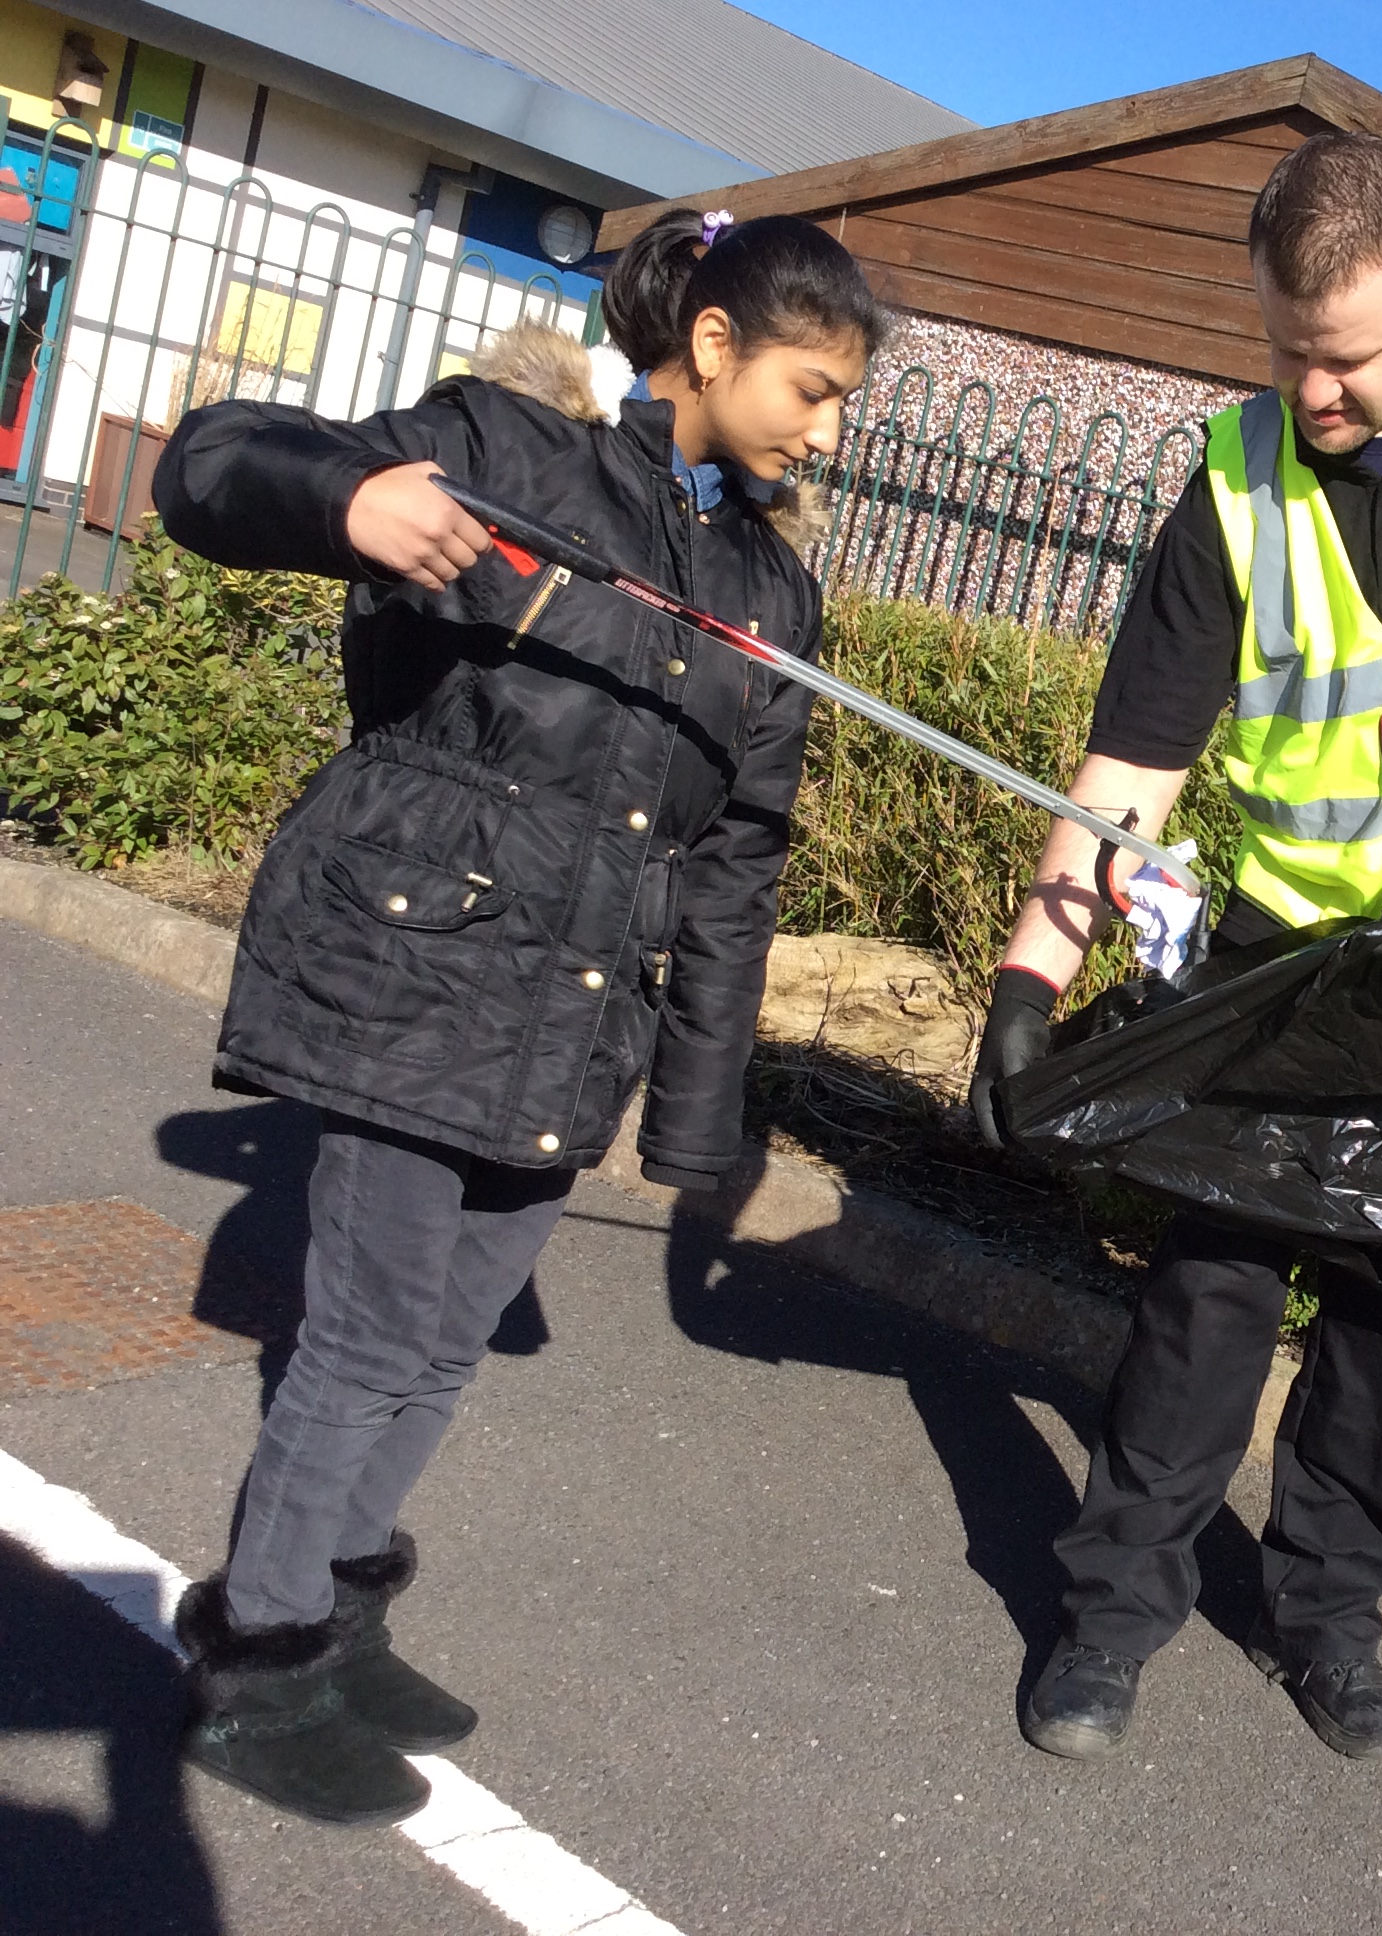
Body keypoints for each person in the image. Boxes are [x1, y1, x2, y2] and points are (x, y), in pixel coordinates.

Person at [152, 209, 883, 1827]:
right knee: (360, 1337)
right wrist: (349, 497)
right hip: (415, 972)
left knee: (448, 1339)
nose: (827, 430)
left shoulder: (769, 589)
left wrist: (698, 1115)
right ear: (713, 348)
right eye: (813, 388)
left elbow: (734, 863)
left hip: (570, 1014)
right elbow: (209, 467)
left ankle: (340, 1615)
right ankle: (256, 1665)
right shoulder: (510, 455)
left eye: (842, 402)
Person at [969, 131, 1382, 1763]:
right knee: (1202, 1299)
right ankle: (1111, 1617)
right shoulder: (1235, 468)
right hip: (1272, 963)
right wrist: (1027, 980)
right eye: (1282, 349)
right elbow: (1136, 758)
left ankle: (1326, 1623)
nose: (1310, 390)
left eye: (1340, 356)